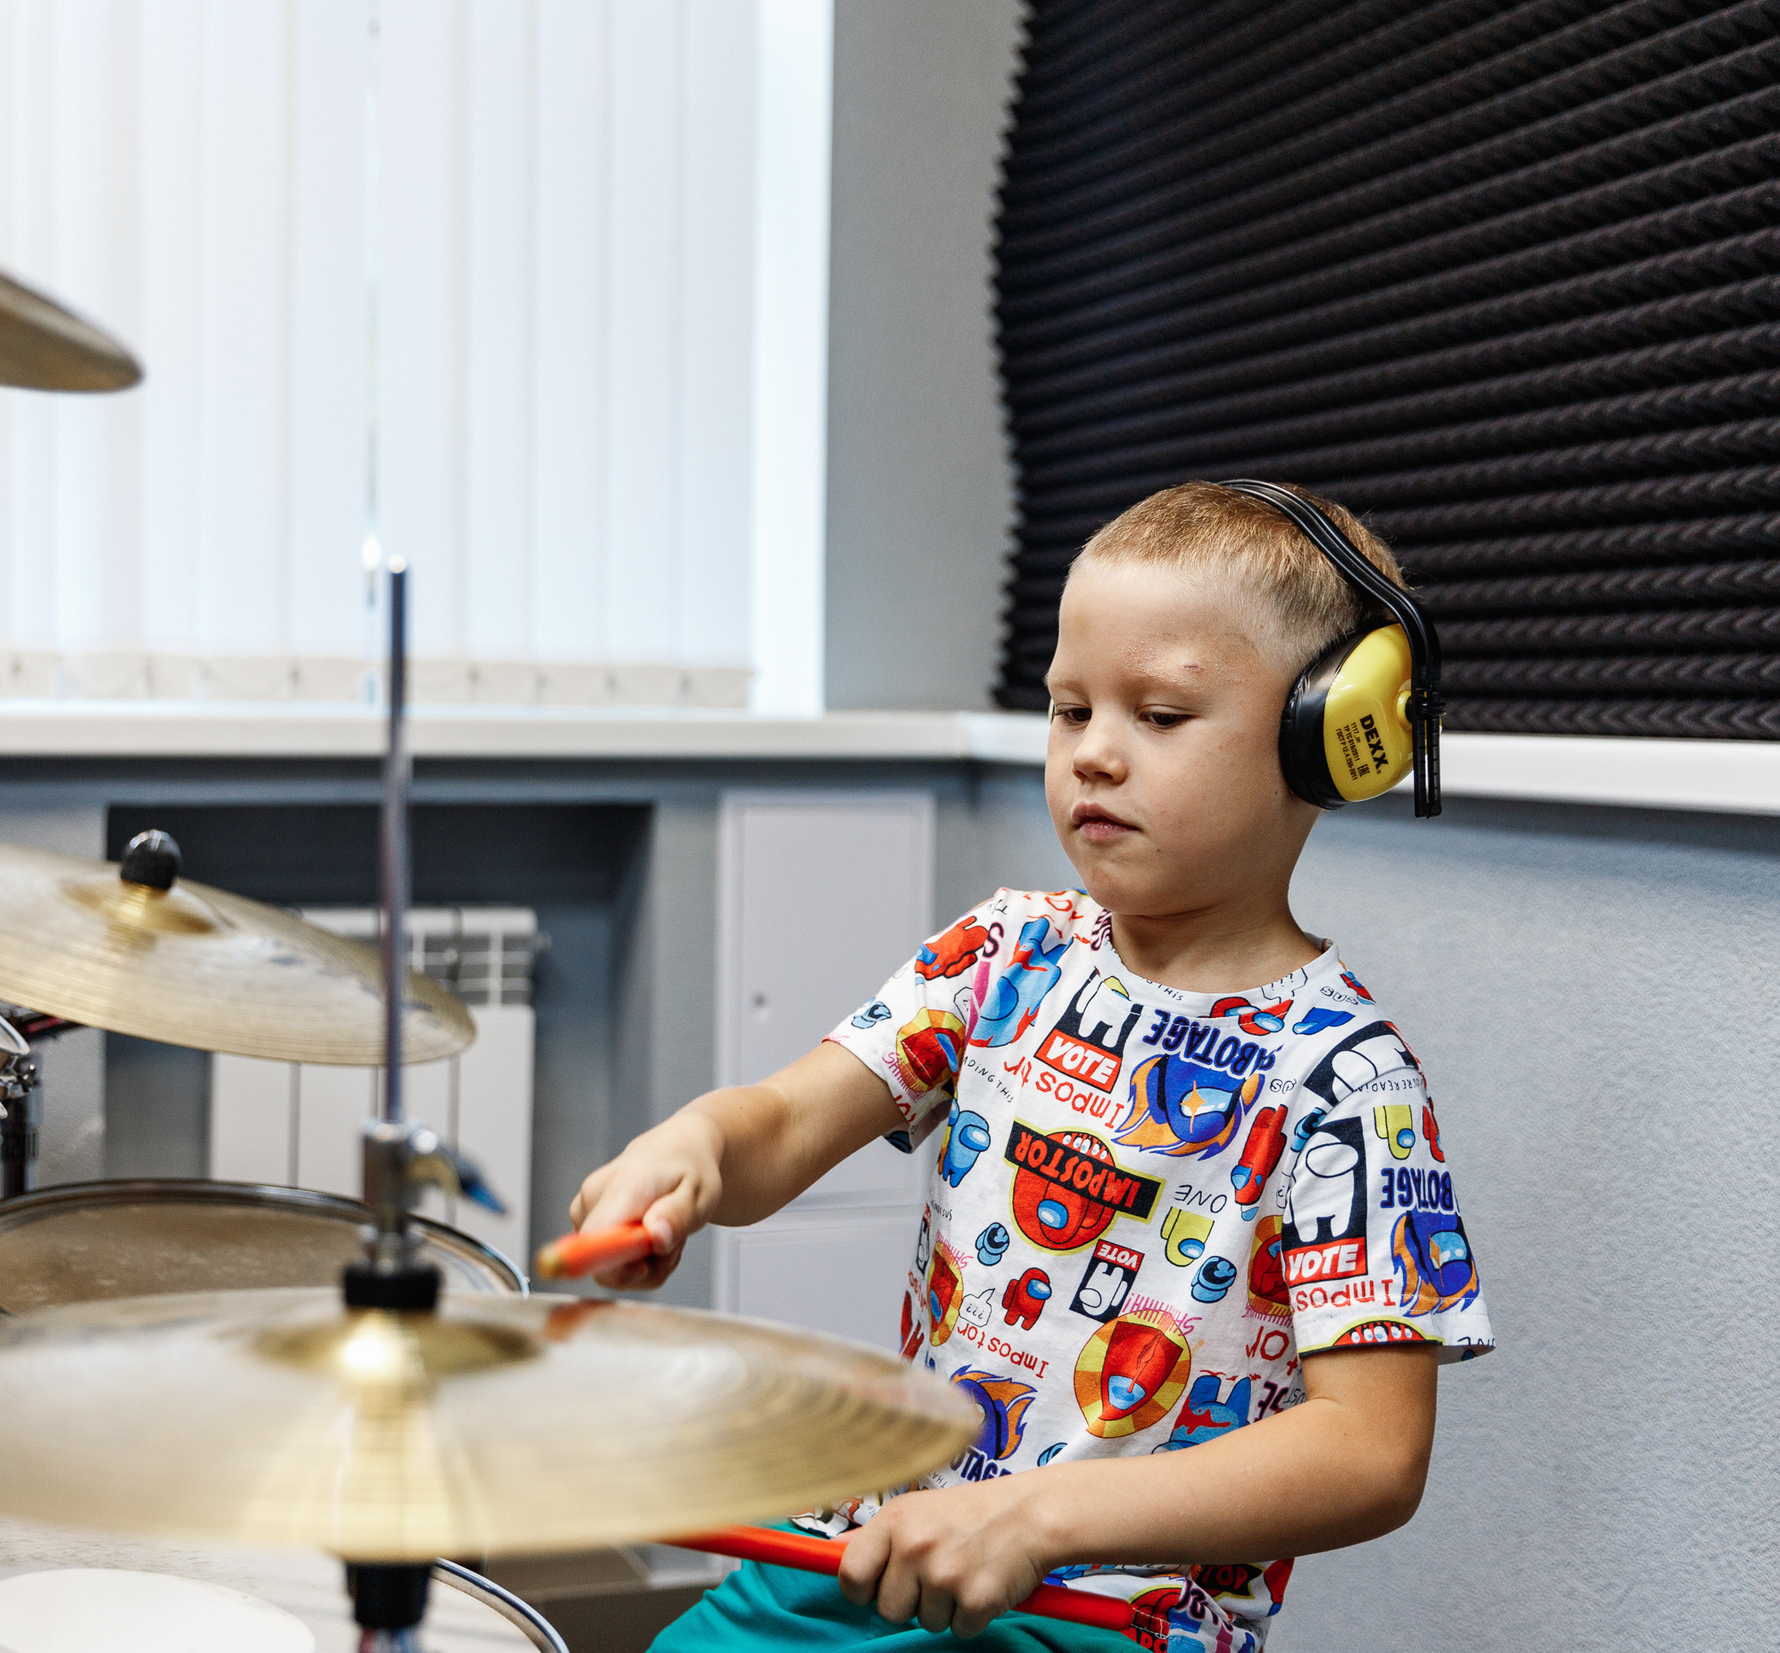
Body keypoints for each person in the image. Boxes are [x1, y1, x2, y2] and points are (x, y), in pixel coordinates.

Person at [572, 481, 1494, 1651]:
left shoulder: (1347, 1083)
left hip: (1101, 1618)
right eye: (1069, 711)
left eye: (1159, 716)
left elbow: (1370, 1453)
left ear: (1328, 739)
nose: (1095, 755)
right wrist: (695, 1148)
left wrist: (1041, 1516)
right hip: (875, 1549)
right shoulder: (1002, 951)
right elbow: (782, 1127)